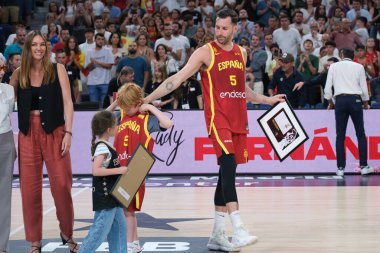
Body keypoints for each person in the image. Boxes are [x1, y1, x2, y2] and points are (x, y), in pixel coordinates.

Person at [144, 9, 284, 252]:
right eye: (217, 28)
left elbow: (245, 92)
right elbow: (176, 80)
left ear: (235, 29)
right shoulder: (205, 52)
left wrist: (268, 100)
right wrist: (148, 98)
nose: (219, 33)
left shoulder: (241, 52)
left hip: (239, 118)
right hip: (217, 118)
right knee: (228, 165)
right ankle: (238, 228)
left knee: (225, 174)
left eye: (224, 28)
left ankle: (217, 235)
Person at [9, 30, 79, 253]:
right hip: (27, 133)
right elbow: (5, 99)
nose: (39, 48)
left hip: (55, 132)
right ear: (27, 48)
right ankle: (34, 242)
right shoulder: (19, 73)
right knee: (29, 191)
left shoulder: (57, 68)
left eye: (42, 44)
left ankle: (67, 233)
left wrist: (68, 133)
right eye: (34, 45)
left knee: (61, 186)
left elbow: (68, 103)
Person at [109, 83, 173, 253]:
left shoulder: (146, 119)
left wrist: (150, 108)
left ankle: (129, 245)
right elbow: (101, 118)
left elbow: (168, 124)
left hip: (135, 169)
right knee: (126, 211)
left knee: (127, 211)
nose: (125, 108)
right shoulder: (121, 114)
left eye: (127, 105)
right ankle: (135, 244)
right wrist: (116, 103)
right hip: (118, 168)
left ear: (137, 103)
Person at [78, 110, 128, 253]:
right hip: (106, 198)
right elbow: (96, 170)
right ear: (108, 129)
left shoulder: (105, 145)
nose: (118, 127)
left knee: (119, 230)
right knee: (98, 232)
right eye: (116, 124)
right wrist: (119, 170)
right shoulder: (102, 147)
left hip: (114, 198)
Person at [324, 48, 374, 177]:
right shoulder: (358, 66)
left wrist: (331, 102)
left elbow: (327, 89)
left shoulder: (334, 66)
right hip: (355, 100)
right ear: (354, 56)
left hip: (340, 100)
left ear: (341, 54)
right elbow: (363, 88)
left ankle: (340, 168)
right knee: (360, 133)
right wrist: (365, 103)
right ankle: (363, 166)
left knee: (340, 135)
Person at [0, 59, 16, 253]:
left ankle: (1, 246)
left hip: (5, 140)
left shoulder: (9, 91)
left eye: (2, 68)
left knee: (4, 197)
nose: (1, 71)